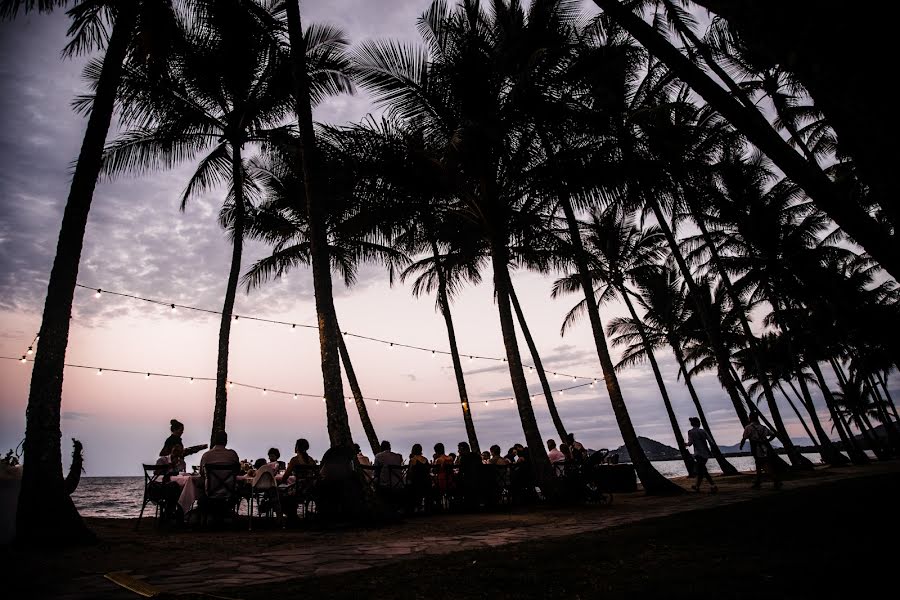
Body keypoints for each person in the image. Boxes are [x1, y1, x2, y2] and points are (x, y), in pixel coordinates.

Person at [741, 411, 782, 490]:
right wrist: (767, 441)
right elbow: (773, 434)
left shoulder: (748, 427)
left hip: (755, 448)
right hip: (764, 448)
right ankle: (758, 482)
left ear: (750, 418)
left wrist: (741, 445)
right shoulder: (763, 427)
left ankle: (775, 480)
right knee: (759, 464)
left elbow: (744, 438)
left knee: (762, 464)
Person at [686, 417, 718, 493]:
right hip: (705, 453)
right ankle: (697, 487)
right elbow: (711, 442)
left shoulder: (690, 432)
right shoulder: (703, 431)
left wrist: (684, 444)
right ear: (698, 423)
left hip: (697, 454)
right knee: (701, 470)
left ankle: (713, 485)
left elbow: (690, 443)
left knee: (703, 470)